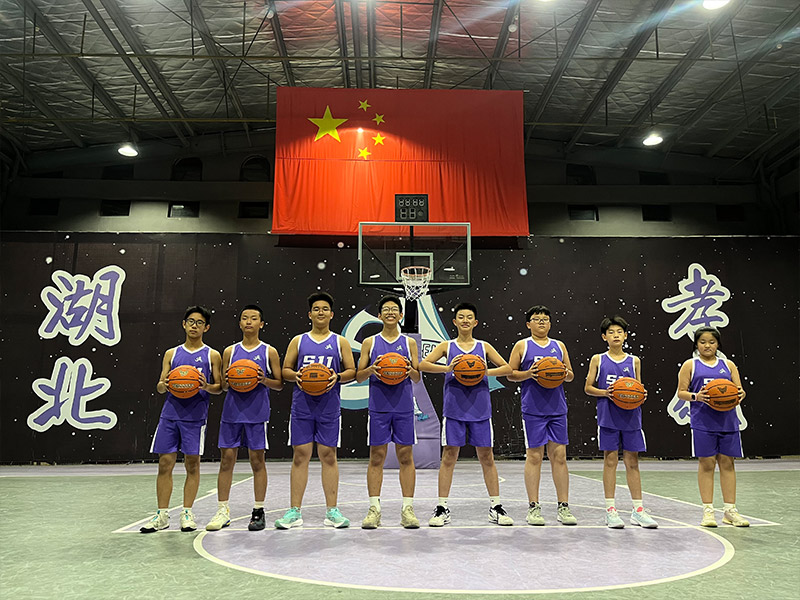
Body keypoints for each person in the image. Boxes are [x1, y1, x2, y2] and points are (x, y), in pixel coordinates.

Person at [419, 302, 513, 527]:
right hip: (454, 410)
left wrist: (484, 371)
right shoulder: (447, 346)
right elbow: (423, 364)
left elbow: (508, 368)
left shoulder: (483, 346)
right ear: (455, 322)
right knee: (449, 456)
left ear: (475, 322)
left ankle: (495, 506)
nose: (465, 320)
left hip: (481, 410)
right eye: (461, 317)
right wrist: (447, 368)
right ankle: (442, 507)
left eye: (469, 317)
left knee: (487, 457)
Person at [274, 292, 356, 529]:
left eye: (325, 309)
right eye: (316, 309)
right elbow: (285, 370)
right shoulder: (298, 341)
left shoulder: (340, 342)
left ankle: (332, 511)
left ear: (332, 314)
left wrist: (337, 376)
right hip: (302, 406)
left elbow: (352, 371)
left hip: (329, 406)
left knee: (328, 455)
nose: (321, 312)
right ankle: (294, 511)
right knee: (301, 454)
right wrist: (297, 376)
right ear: (310, 314)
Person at [140, 306, 222, 533]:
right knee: (164, 463)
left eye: (199, 322)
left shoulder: (212, 355)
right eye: (191, 321)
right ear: (184, 324)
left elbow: (219, 387)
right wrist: (164, 384)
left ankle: (187, 512)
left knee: (192, 464)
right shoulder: (171, 353)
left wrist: (205, 386)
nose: (194, 326)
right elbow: (160, 386)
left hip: (195, 417)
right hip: (170, 415)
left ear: (206, 327)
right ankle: (162, 515)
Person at [206, 305, 283, 532]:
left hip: (257, 414)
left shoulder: (269, 351)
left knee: (257, 461)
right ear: (240, 323)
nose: (249, 321)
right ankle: (222, 510)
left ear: (261, 324)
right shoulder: (229, 352)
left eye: (254, 318)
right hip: (231, 413)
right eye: (245, 318)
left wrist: (263, 380)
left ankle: (258, 510)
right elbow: (224, 386)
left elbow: (279, 384)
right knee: (227, 460)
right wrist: (229, 381)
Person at [584, 316, 658, 529]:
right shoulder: (598, 359)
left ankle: (638, 510)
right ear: (604, 337)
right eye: (611, 332)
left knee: (632, 462)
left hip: (631, 417)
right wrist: (606, 393)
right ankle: (610, 510)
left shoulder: (634, 361)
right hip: (608, 417)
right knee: (610, 461)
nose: (615, 335)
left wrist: (641, 394)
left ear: (625, 335)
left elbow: (638, 388)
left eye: (619, 332)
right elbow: (588, 387)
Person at [507, 305, 577, 526]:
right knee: (534, 457)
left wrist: (562, 373)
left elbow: (571, 375)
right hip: (533, 409)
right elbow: (510, 374)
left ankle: (563, 506)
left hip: (557, 409)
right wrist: (529, 373)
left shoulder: (559, 345)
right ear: (528, 324)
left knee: (560, 457)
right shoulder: (522, 345)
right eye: (537, 319)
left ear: (550, 323)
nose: (541, 322)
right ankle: (533, 507)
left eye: (545, 319)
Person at [355, 295, 421, 529]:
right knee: (377, 457)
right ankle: (374, 509)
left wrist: (407, 369)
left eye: (394, 309)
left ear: (401, 315)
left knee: (406, 457)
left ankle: (407, 510)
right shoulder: (370, 342)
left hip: (403, 407)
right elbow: (358, 376)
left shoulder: (409, 343)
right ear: (379, 315)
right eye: (386, 309)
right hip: (379, 407)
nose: (390, 312)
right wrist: (372, 369)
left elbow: (417, 377)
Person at [677, 326, 749, 527]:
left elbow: (740, 391)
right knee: (707, 464)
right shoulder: (690, 365)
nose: (707, 345)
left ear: (718, 344)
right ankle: (708, 511)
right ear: (696, 344)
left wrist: (740, 394)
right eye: (703, 342)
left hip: (728, 421)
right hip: (703, 422)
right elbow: (681, 392)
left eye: (711, 342)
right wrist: (696, 396)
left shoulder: (728, 365)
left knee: (727, 463)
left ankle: (730, 511)